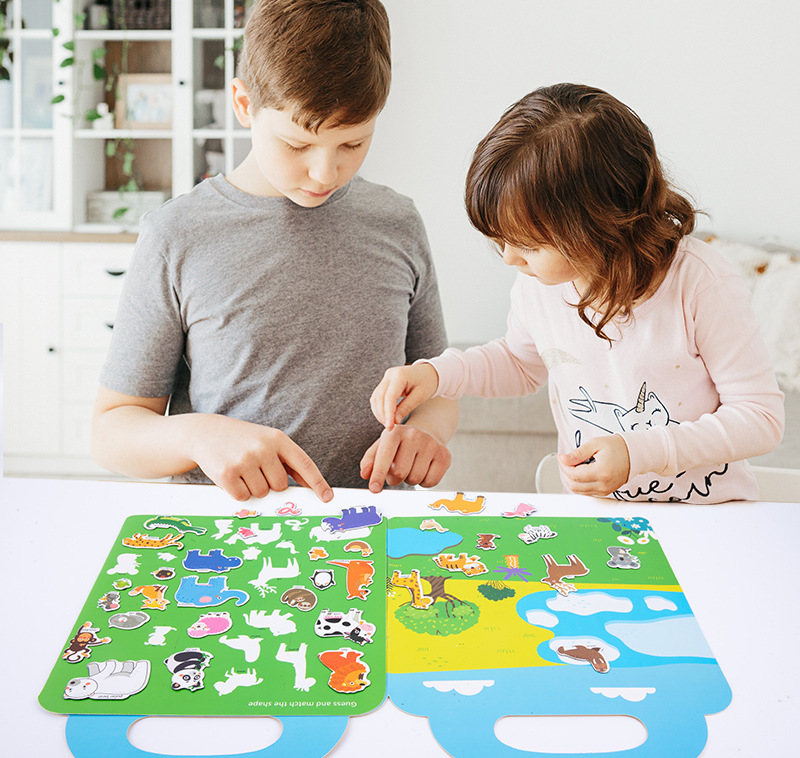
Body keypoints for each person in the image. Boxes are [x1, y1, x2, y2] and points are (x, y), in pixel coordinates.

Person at [91, 0, 457, 503]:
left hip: (370, 530)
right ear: (244, 104)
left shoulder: (398, 223)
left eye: (352, 144)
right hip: (228, 533)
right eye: (297, 144)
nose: (325, 173)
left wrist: (426, 432)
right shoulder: (176, 235)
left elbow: (439, 385)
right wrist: (199, 435)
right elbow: (111, 432)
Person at [371, 83, 784, 503]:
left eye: (529, 245)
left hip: (709, 517)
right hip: (599, 520)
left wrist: (638, 453)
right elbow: (519, 362)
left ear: (598, 224)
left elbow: (761, 417)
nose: (510, 258)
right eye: (501, 241)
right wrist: (436, 374)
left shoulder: (701, 283)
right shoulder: (539, 285)